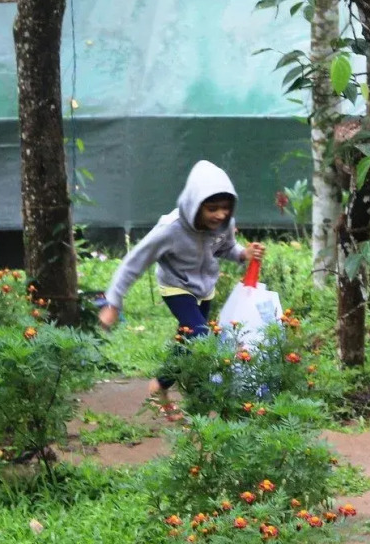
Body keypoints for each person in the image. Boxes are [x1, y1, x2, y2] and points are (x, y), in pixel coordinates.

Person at [98, 161, 264, 418]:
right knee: (200, 337)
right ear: (195, 204)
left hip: (205, 289)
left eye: (225, 208)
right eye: (212, 209)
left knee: (185, 343)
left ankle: (160, 386)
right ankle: (206, 401)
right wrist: (113, 302)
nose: (220, 215)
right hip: (176, 286)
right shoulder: (169, 229)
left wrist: (243, 253)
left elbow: (224, 248)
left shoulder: (224, 224)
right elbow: (134, 263)